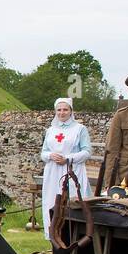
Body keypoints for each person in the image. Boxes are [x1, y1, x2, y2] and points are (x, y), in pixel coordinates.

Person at [40, 97, 92, 240]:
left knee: (73, 203)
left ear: (70, 111)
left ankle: (75, 236)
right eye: (59, 110)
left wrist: (68, 158)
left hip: (72, 170)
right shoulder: (50, 130)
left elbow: (87, 152)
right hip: (53, 171)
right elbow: (43, 153)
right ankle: (53, 237)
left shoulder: (80, 129)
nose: (62, 113)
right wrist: (51, 155)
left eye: (65, 109)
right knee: (52, 202)